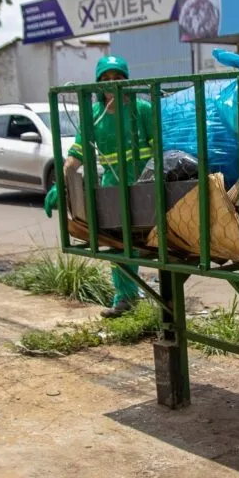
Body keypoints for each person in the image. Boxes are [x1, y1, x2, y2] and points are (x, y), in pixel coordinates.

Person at [44, 55, 154, 318]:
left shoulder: (142, 109)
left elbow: (159, 147)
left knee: (151, 243)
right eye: (105, 80)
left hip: (143, 184)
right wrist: (62, 183)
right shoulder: (94, 115)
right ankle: (126, 299)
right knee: (118, 244)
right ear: (98, 85)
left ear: (127, 81)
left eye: (117, 78)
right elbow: (77, 152)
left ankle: (159, 301)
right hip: (112, 187)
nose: (112, 84)